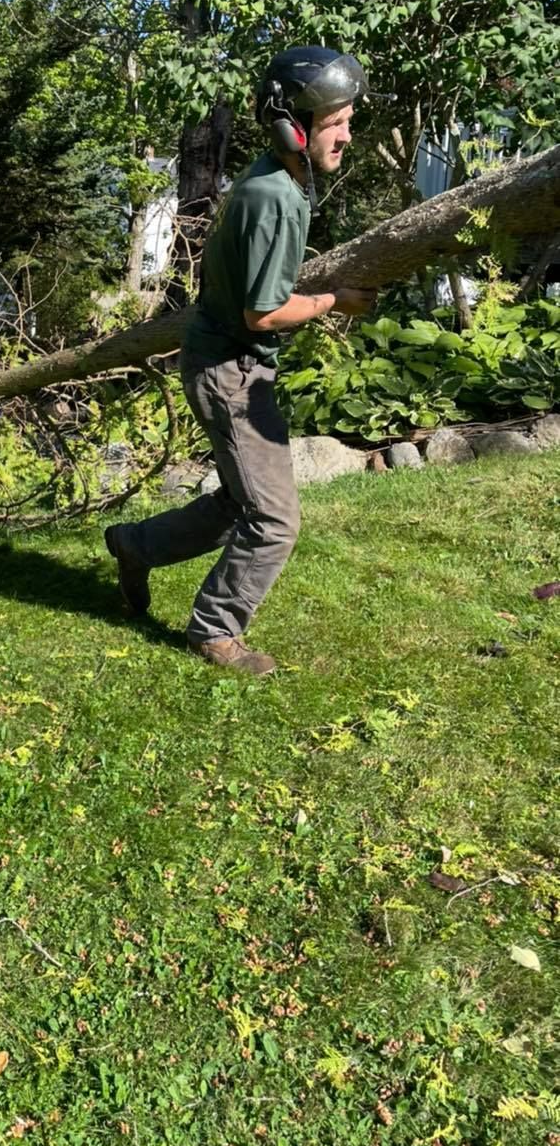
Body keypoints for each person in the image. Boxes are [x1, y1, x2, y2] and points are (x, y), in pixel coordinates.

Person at [104, 45, 377, 674]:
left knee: (236, 501)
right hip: (230, 371)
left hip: (231, 365)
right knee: (275, 520)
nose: (347, 135)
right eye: (336, 122)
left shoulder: (285, 180)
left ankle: (134, 546)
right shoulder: (273, 196)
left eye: (348, 119)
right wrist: (336, 301)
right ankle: (216, 628)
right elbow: (263, 314)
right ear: (293, 126)